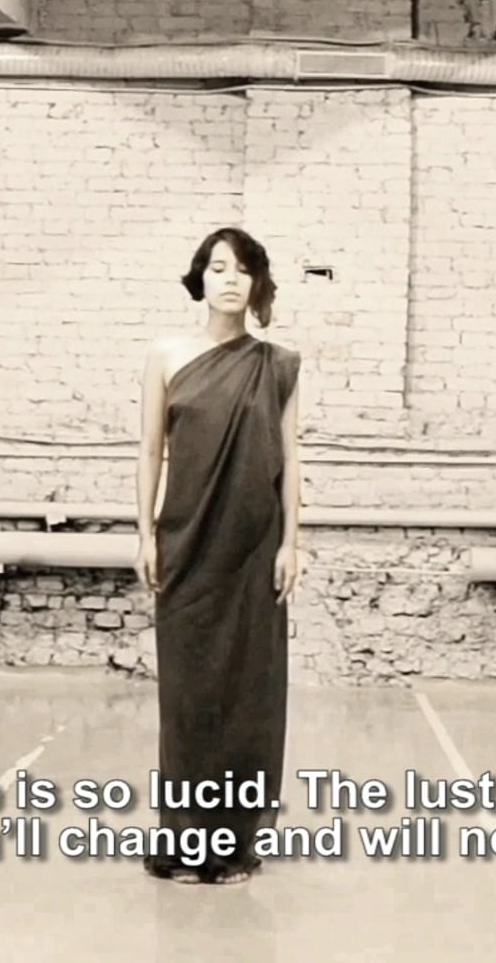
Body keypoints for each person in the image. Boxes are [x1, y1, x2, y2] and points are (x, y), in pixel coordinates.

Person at [135, 227, 304, 884]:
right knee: (188, 695)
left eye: (242, 270)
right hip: (185, 542)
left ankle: (234, 844)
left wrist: (292, 542)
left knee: (248, 695)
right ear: (199, 279)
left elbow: (292, 458)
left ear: (257, 283)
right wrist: (145, 533)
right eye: (217, 267)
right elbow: (151, 450)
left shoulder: (278, 364)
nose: (230, 280)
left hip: (254, 548)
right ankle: (181, 839)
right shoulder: (166, 355)